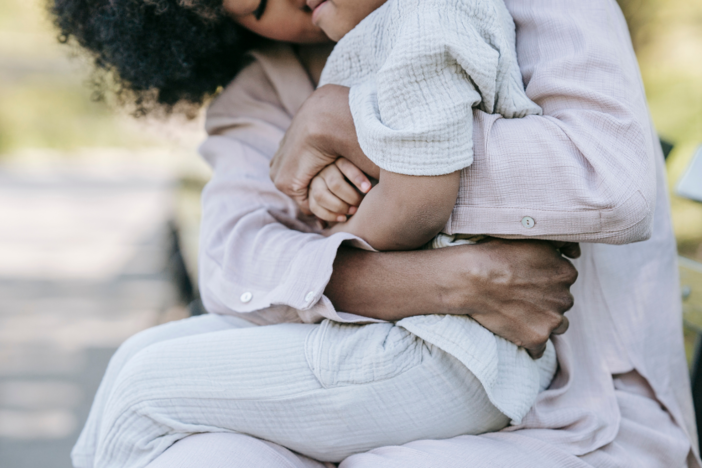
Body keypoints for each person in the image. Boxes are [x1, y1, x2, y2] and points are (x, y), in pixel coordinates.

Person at [51, 0, 700, 467]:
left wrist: (349, 126)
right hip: (362, 388)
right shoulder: (263, 86)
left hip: (580, 416)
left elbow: (608, 184)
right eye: (257, 5)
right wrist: (447, 282)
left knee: (144, 388)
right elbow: (236, 264)